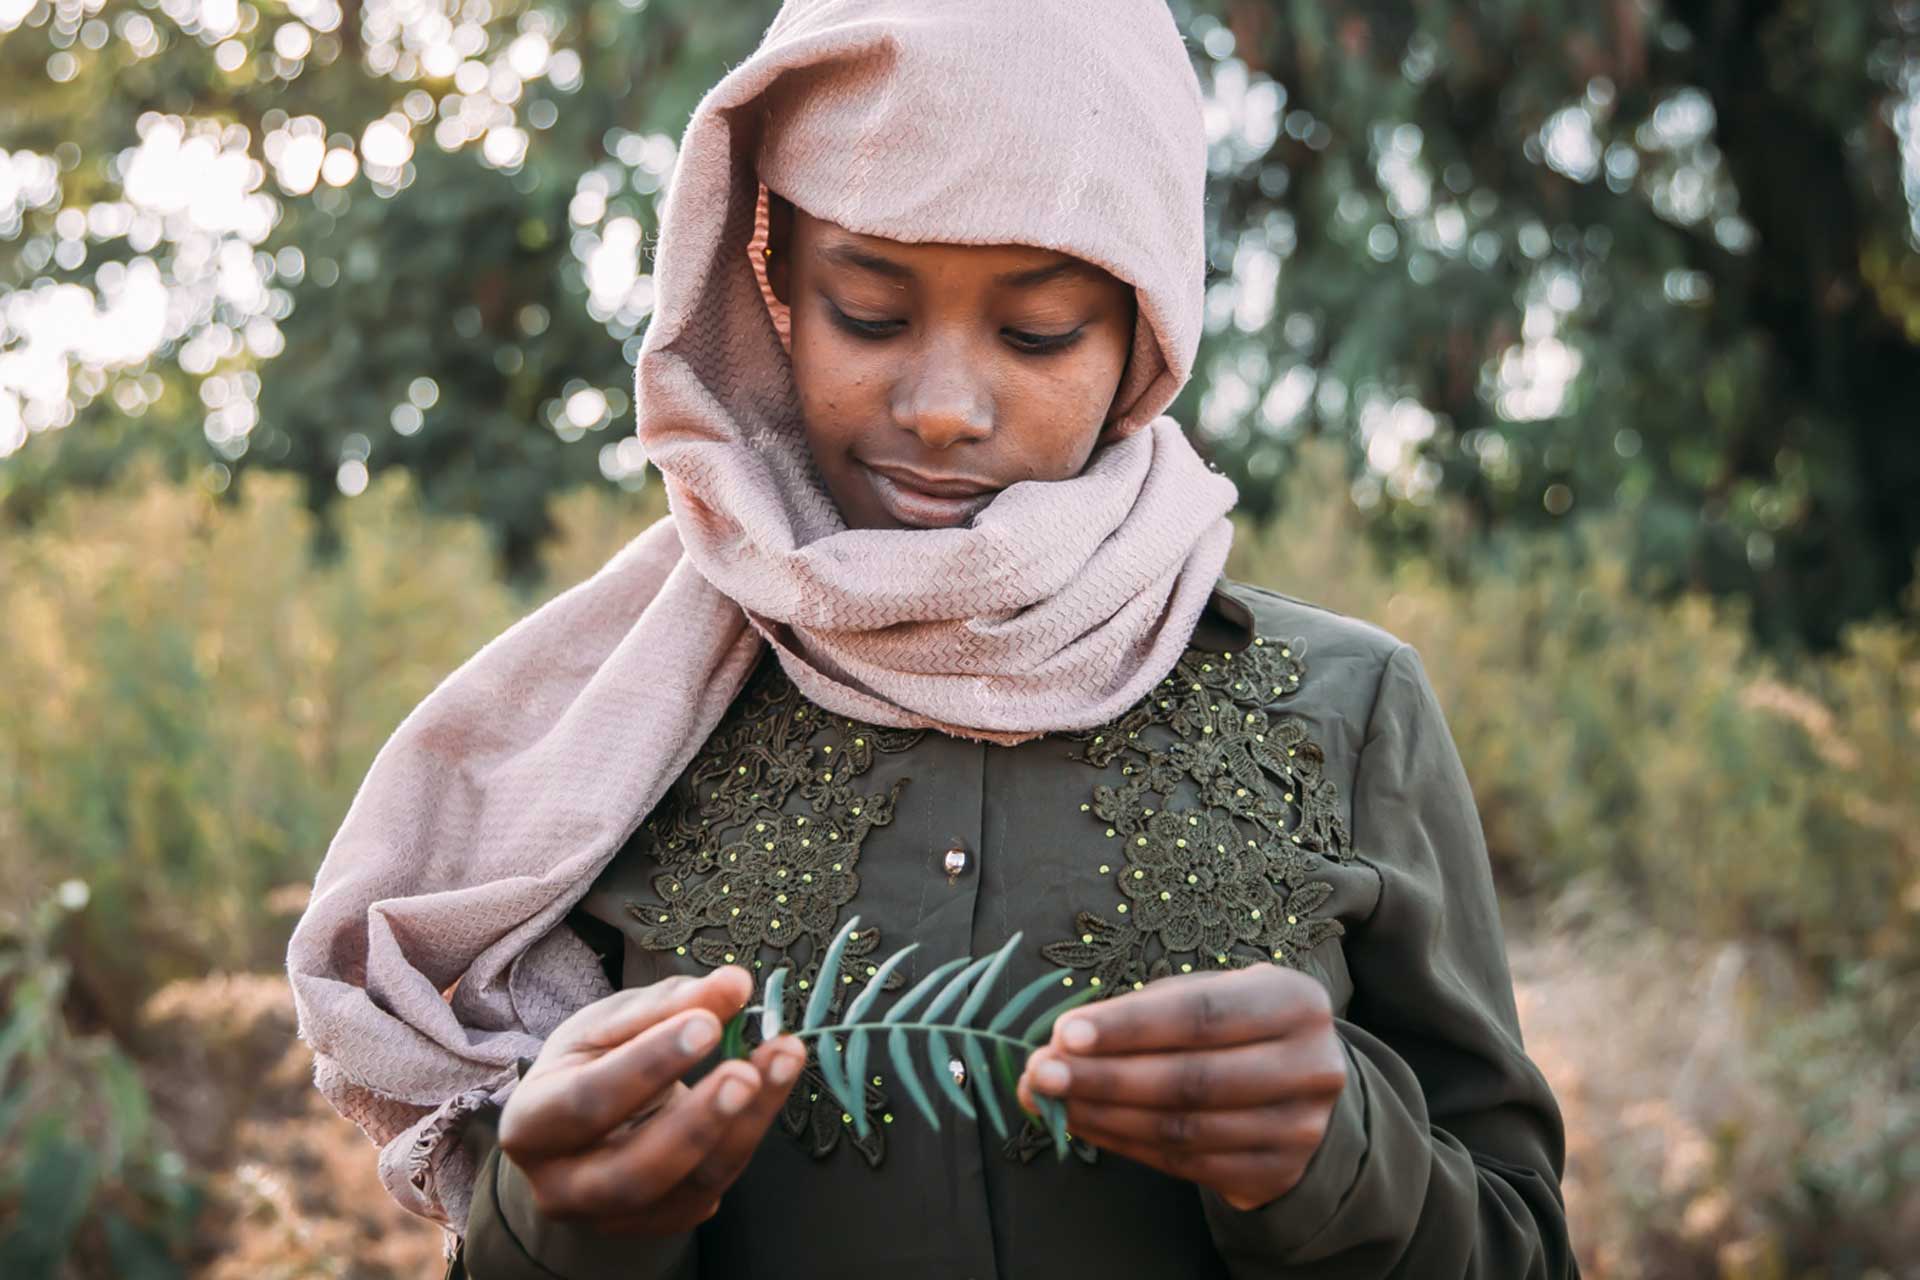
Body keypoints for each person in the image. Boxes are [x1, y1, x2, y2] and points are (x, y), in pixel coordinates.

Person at [286, 1, 1578, 1277]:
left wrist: (1340, 1155)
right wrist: (556, 1218)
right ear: (776, 288)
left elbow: (1524, 1244)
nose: (946, 407)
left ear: (1145, 328)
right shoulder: (628, 724)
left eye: (1036, 332)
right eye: (870, 311)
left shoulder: (1341, 709)